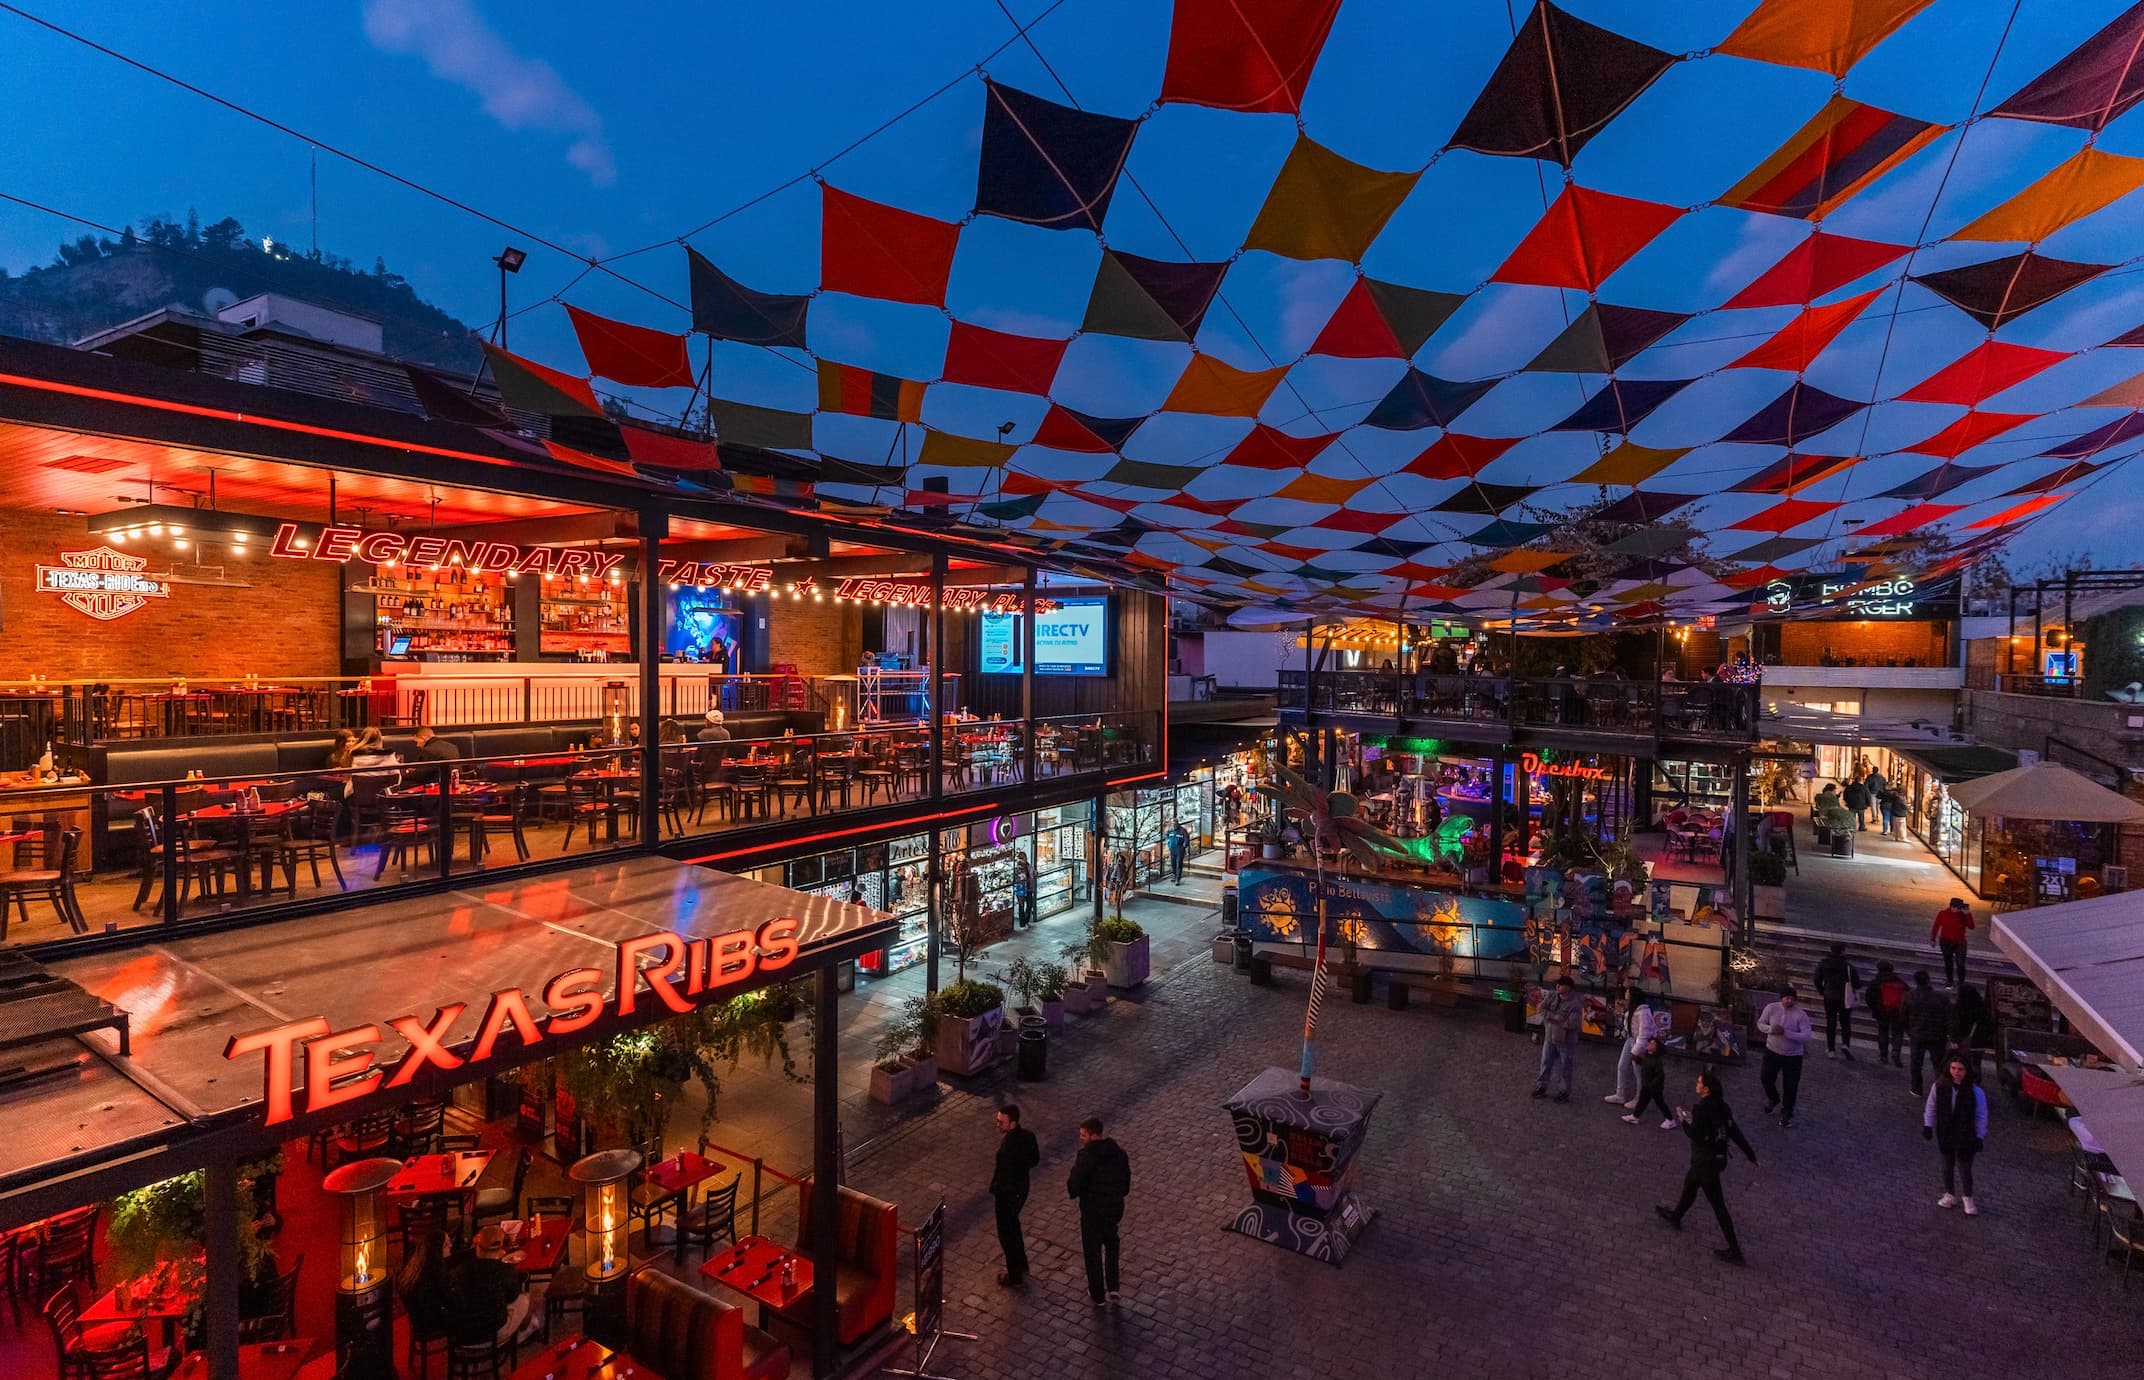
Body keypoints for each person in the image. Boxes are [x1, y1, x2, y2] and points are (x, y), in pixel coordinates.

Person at [1655, 1066, 1758, 1265]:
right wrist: (1750, 1154)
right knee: (1690, 1187)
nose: (1697, 1084)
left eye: (1699, 1082)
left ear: (1707, 1089)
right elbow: (1733, 1131)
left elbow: (1696, 1134)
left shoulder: (1701, 1109)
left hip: (1705, 1162)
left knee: (1718, 1206)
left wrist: (1684, 1121)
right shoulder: (1722, 1106)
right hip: (1716, 1160)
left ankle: (1735, 1251)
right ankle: (1676, 1216)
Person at [398, 1228, 527, 1349]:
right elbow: (454, 1305)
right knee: (523, 1299)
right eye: (447, 1245)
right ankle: (522, 1334)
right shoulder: (439, 1280)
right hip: (436, 1325)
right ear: (437, 1250)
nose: (451, 1246)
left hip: (422, 1322)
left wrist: (481, 1249)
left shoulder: (418, 1267)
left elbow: (455, 1259)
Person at [1067, 1116, 1131, 1306]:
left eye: (1084, 1135)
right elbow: (1125, 1186)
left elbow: (1073, 1186)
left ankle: (1097, 1294)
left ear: (1095, 1136)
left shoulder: (1087, 1157)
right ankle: (1113, 1287)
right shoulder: (1119, 1154)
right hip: (1113, 1211)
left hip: (1092, 1213)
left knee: (1092, 1253)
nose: (1081, 1139)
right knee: (1112, 1246)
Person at [1924, 1056, 1988, 1215]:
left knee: (1965, 1166)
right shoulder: (1939, 1086)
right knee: (1947, 1165)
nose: (1956, 1072)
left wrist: (1980, 1135)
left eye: (1960, 1069)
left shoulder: (1975, 1091)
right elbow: (1931, 1106)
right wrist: (1928, 1125)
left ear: (1966, 1071)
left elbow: (1981, 1115)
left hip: (1966, 1133)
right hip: (1946, 1131)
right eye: (1953, 1068)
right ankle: (1950, 1194)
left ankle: (1967, 1197)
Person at [990, 1103, 1041, 1287]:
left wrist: (997, 1188)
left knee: (1007, 1234)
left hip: (1007, 1196)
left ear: (1013, 1123)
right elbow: (1035, 1160)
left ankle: (1015, 1276)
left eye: (1001, 1122)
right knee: (1014, 1226)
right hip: (1021, 1191)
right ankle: (1022, 1263)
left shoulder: (1009, 1149)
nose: (998, 1125)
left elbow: (1004, 1175)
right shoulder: (1028, 1136)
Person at [1756, 984, 1812, 1127]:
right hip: (1772, 1051)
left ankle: (1787, 1112)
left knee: (1791, 1085)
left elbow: (1806, 1035)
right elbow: (1760, 1023)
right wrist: (1770, 1029)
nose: (1789, 1001)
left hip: (1793, 1056)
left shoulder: (1801, 1015)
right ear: (1781, 998)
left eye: (1792, 999)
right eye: (1786, 998)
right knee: (1766, 1078)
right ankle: (1773, 1098)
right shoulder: (1771, 1008)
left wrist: (1786, 1033)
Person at [1532, 975, 1582, 1103]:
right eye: (1557, 984)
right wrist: (1556, 1017)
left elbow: (1572, 1024)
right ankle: (1541, 1086)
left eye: (1560, 985)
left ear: (1568, 987)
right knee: (1545, 1063)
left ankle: (1564, 1092)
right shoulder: (1552, 995)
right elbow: (1540, 1009)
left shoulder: (1575, 1003)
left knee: (1565, 1067)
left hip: (1566, 1041)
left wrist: (1550, 1017)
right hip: (1550, 1037)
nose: (1557, 987)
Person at [1903, 969, 1952, 1097]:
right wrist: (1950, 1034)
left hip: (1917, 1035)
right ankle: (1941, 1088)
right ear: (1928, 980)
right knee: (1939, 1063)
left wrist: (1909, 1031)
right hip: (1937, 1036)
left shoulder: (1909, 996)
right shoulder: (1941, 997)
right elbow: (1949, 1018)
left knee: (1916, 1062)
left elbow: (1903, 1017)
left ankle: (1916, 1088)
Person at [1608, 986, 1658, 1110]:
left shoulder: (1643, 1013)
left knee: (1639, 1073)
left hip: (1640, 1044)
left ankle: (1639, 1098)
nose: (1626, 994)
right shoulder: (1633, 1009)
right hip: (1631, 1040)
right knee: (1622, 1066)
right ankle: (1620, 1094)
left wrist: (1636, 1052)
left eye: (1628, 992)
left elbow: (1644, 1035)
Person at [1812, 942, 1860, 1061]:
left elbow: (1817, 979)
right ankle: (1845, 1044)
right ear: (1843, 950)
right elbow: (1857, 983)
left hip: (1829, 996)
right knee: (1845, 1022)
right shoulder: (1848, 966)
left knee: (1831, 1022)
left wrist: (1822, 990)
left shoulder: (1824, 964)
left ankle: (1831, 1049)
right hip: (1845, 997)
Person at [1623, 1036, 1676, 1129]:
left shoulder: (1657, 1061)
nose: (1649, 1044)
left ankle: (1670, 1120)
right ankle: (1635, 1116)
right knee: (1643, 1101)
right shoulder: (1648, 1056)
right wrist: (1636, 1059)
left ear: (1656, 1048)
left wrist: (1651, 1085)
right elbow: (1644, 1063)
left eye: (1652, 1044)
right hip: (1648, 1085)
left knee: (1659, 1103)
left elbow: (1660, 1076)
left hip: (1653, 1087)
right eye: (1649, 1043)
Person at [1865, 961, 1909, 1068]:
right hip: (1897, 1012)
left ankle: (1883, 1055)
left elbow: (1869, 997)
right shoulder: (1900, 982)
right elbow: (1908, 996)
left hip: (1882, 1012)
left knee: (1883, 1032)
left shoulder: (1876, 982)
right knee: (1898, 1033)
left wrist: (1875, 1008)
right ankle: (1896, 1052)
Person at [1931, 897, 1975, 987]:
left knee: (1960, 963)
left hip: (1960, 942)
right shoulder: (1943, 914)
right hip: (1946, 942)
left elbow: (1971, 926)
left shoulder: (1963, 915)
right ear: (1952, 907)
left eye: (1960, 908)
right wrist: (1933, 939)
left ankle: (1961, 982)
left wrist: (1968, 914)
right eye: (1958, 908)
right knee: (1948, 962)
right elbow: (1936, 926)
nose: (1959, 910)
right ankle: (1950, 980)